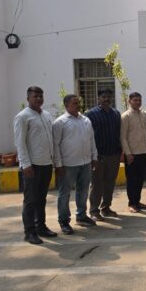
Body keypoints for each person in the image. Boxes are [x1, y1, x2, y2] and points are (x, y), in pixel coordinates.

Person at [14, 86, 56, 244]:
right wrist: (25, 164)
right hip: (32, 165)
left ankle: (41, 227)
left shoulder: (46, 115)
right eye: (35, 96)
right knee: (30, 200)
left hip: (46, 163)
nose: (38, 99)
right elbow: (20, 143)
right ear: (28, 99)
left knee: (41, 198)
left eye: (40, 96)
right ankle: (29, 232)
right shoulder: (22, 117)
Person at [53, 94, 98, 234]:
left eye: (78, 102)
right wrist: (58, 164)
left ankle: (81, 216)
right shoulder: (60, 122)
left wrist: (94, 156)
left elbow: (91, 139)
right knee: (65, 193)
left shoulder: (86, 120)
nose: (77, 105)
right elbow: (55, 145)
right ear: (66, 105)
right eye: (74, 103)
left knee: (83, 190)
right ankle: (64, 221)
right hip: (68, 164)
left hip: (85, 163)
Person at [86, 88, 121, 220]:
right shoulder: (91, 114)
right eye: (104, 97)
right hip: (98, 156)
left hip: (114, 154)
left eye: (108, 97)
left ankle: (106, 208)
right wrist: (92, 156)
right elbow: (88, 136)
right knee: (96, 184)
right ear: (98, 98)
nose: (106, 99)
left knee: (110, 183)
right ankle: (94, 211)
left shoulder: (116, 114)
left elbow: (119, 133)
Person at [121, 91, 146, 213]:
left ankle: (137, 201)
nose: (138, 102)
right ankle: (132, 203)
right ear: (129, 101)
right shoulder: (126, 116)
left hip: (142, 152)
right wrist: (128, 153)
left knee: (140, 179)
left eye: (139, 100)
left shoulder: (143, 114)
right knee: (132, 180)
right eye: (135, 100)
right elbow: (122, 137)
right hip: (132, 154)